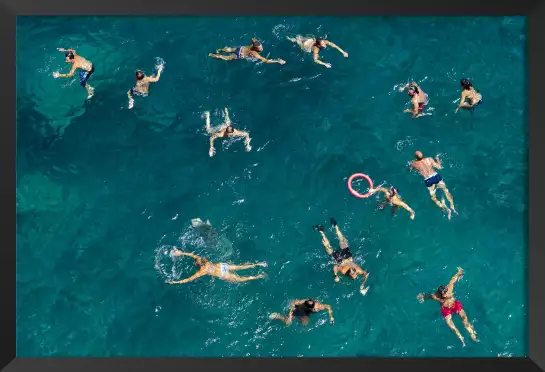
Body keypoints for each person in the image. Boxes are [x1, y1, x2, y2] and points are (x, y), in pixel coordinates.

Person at [417, 267, 479, 347]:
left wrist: (459, 273)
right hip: (446, 309)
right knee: (451, 325)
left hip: (454, 305)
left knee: (464, 318)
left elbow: (453, 280)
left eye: (446, 292)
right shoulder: (436, 296)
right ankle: (461, 338)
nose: (447, 294)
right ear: (441, 294)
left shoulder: (449, 288)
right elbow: (428, 296)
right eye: (445, 294)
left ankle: (471, 333)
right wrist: (422, 297)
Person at [313, 218, 370, 295]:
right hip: (340, 259)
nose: (354, 277)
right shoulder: (344, 271)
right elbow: (335, 267)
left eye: (354, 275)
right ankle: (324, 230)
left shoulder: (358, 270)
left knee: (341, 241)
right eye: (354, 275)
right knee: (329, 248)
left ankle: (328, 229)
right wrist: (335, 275)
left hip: (347, 257)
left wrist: (363, 284)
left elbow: (366, 274)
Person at [167, 249, 267, 284]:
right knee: (239, 267)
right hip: (222, 265)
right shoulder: (203, 259)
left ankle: (258, 276)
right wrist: (181, 253)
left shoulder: (202, 271)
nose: (194, 263)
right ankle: (258, 264)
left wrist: (176, 281)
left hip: (223, 273)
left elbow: (189, 279)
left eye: (195, 263)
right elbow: (192, 255)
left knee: (240, 279)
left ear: (199, 265)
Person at [409, 150, 457, 219]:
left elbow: (410, 169)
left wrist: (413, 166)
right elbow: (439, 167)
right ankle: (452, 207)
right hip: (435, 176)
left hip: (428, 180)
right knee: (446, 191)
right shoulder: (429, 159)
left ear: (415, 157)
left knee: (433, 197)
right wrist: (437, 159)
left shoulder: (414, 163)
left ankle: (444, 207)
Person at [208, 38, 285, 65]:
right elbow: (266, 60)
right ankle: (212, 55)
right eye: (260, 49)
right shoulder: (255, 54)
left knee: (229, 49)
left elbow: (253, 39)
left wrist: (254, 41)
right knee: (226, 58)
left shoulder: (253, 44)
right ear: (257, 49)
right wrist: (278, 61)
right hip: (239, 54)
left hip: (240, 48)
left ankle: (219, 50)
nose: (261, 49)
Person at [269, 299, 334, 327]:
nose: (316, 310)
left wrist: (331, 317)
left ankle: (300, 318)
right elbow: (294, 302)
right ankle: (279, 316)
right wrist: (290, 313)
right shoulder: (304, 302)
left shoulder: (319, 307)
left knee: (305, 324)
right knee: (288, 323)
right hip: (298, 309)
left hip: (305, 313)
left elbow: (328, 306)